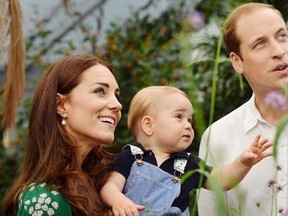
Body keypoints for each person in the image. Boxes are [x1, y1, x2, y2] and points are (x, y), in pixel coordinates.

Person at [100, 85, 272, 216]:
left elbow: (221, 181)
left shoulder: (188, 163)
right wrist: (118, 201)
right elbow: (110, 185)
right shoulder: (131, 156)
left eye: (189, 120)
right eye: (179, 117)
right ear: (148, 125)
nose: (188, 125)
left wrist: (242, 163)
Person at [2, 54, 122, 215]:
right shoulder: (45, 199)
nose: (117, 104)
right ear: (60, 105)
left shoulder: (111, 182)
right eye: (100, 91)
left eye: (117, 95)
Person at [197, 3, 288, 216]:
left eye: (282, 35)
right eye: (260, 44)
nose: (279, 51)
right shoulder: (218, 136)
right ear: (237, 62)